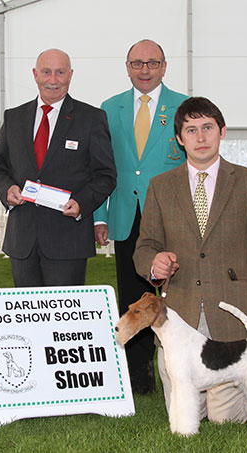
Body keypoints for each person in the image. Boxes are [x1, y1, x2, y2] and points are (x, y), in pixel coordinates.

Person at [134, 97, 247, 423]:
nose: (200, 137)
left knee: (223, 418)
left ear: (222, 132)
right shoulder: (159, 187)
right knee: (185, 414)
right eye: (191, 130)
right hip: (181, 316)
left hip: (233, 315)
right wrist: (155, 263)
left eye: (207, 128)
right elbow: (145, 246)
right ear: (179, 139)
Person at [94, 39, 187, 394]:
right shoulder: (109, 108)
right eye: (137, 63)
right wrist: (99, 216)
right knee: (131, 294)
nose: (144, 70)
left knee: (174, 293)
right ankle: (137, 372)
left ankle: (178, 365)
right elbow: (102, 167)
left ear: (164, 66)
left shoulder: (183, 106)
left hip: (169, 214)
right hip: (124, 214)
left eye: (151, 63)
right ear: (127, 66)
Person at [0, 49, 116, 287]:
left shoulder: (91, 118)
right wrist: (7, 190)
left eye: (60, 72)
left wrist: (81, 204)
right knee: (27, 319)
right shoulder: (14, 118)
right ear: (35, 75)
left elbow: (106, 175)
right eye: (46, 72)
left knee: (65, 322)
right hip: (22, 241)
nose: (53, 80)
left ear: (70, 75)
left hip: (68, 241)